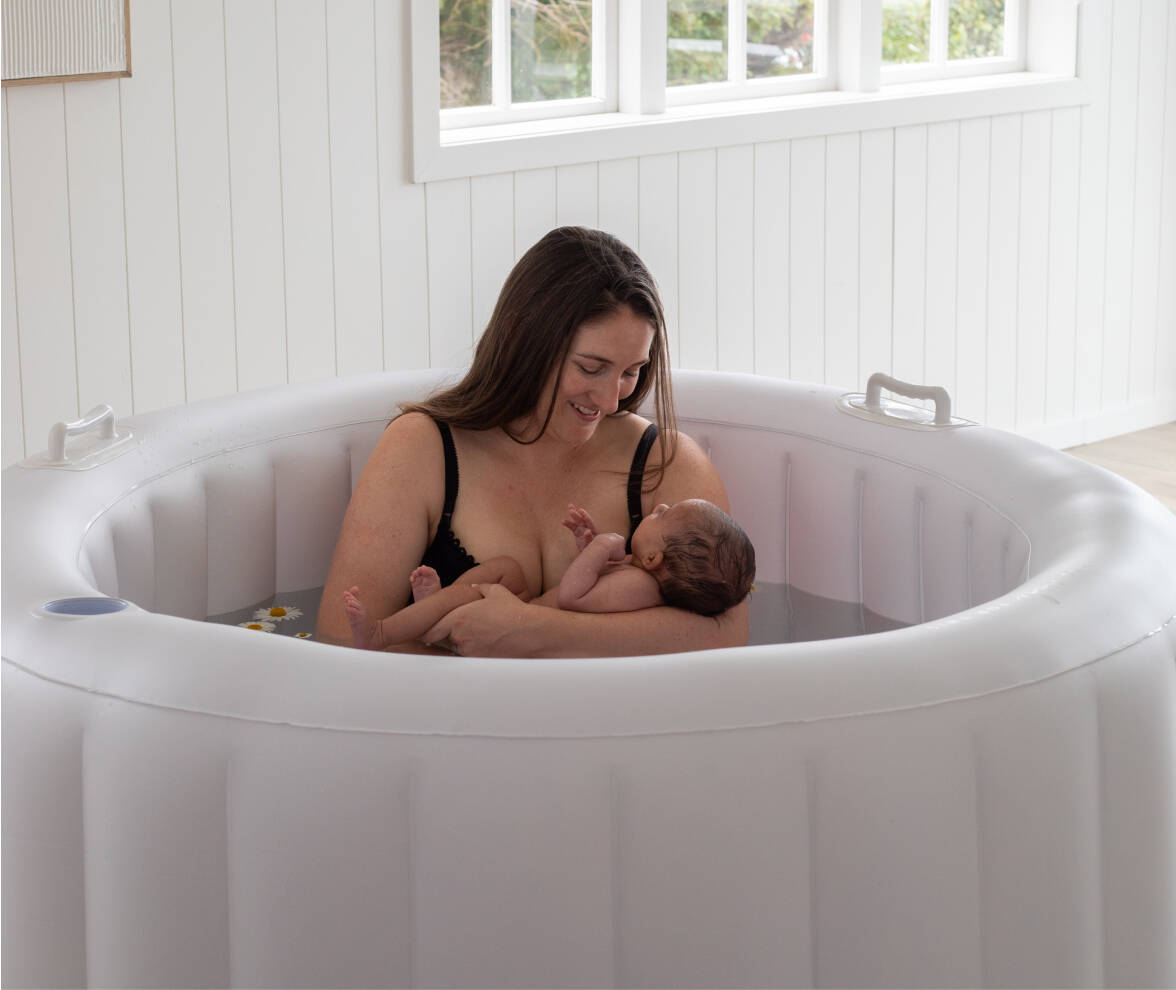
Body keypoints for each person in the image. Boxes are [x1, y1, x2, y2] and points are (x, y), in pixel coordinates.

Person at [316, 225, 749, 656]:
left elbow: (728, 637)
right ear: (528, 343)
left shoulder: (666, 463)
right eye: (591, 367)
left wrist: (537, 631)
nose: (610, 397)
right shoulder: (422, 449)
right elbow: (341, 640)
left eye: (631, 371)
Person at [341, 499, 755, 651]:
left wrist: (598, 547)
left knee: (466, 597)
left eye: (664, 515)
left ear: (653, 560)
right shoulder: (639, 582)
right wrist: (587, 547)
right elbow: (593, 588)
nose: (658, 508)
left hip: (509, 626)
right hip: (525, 608)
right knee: (508, 568)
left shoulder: (637, 586)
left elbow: (575, 597)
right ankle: (434, 606)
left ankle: (382, 632)